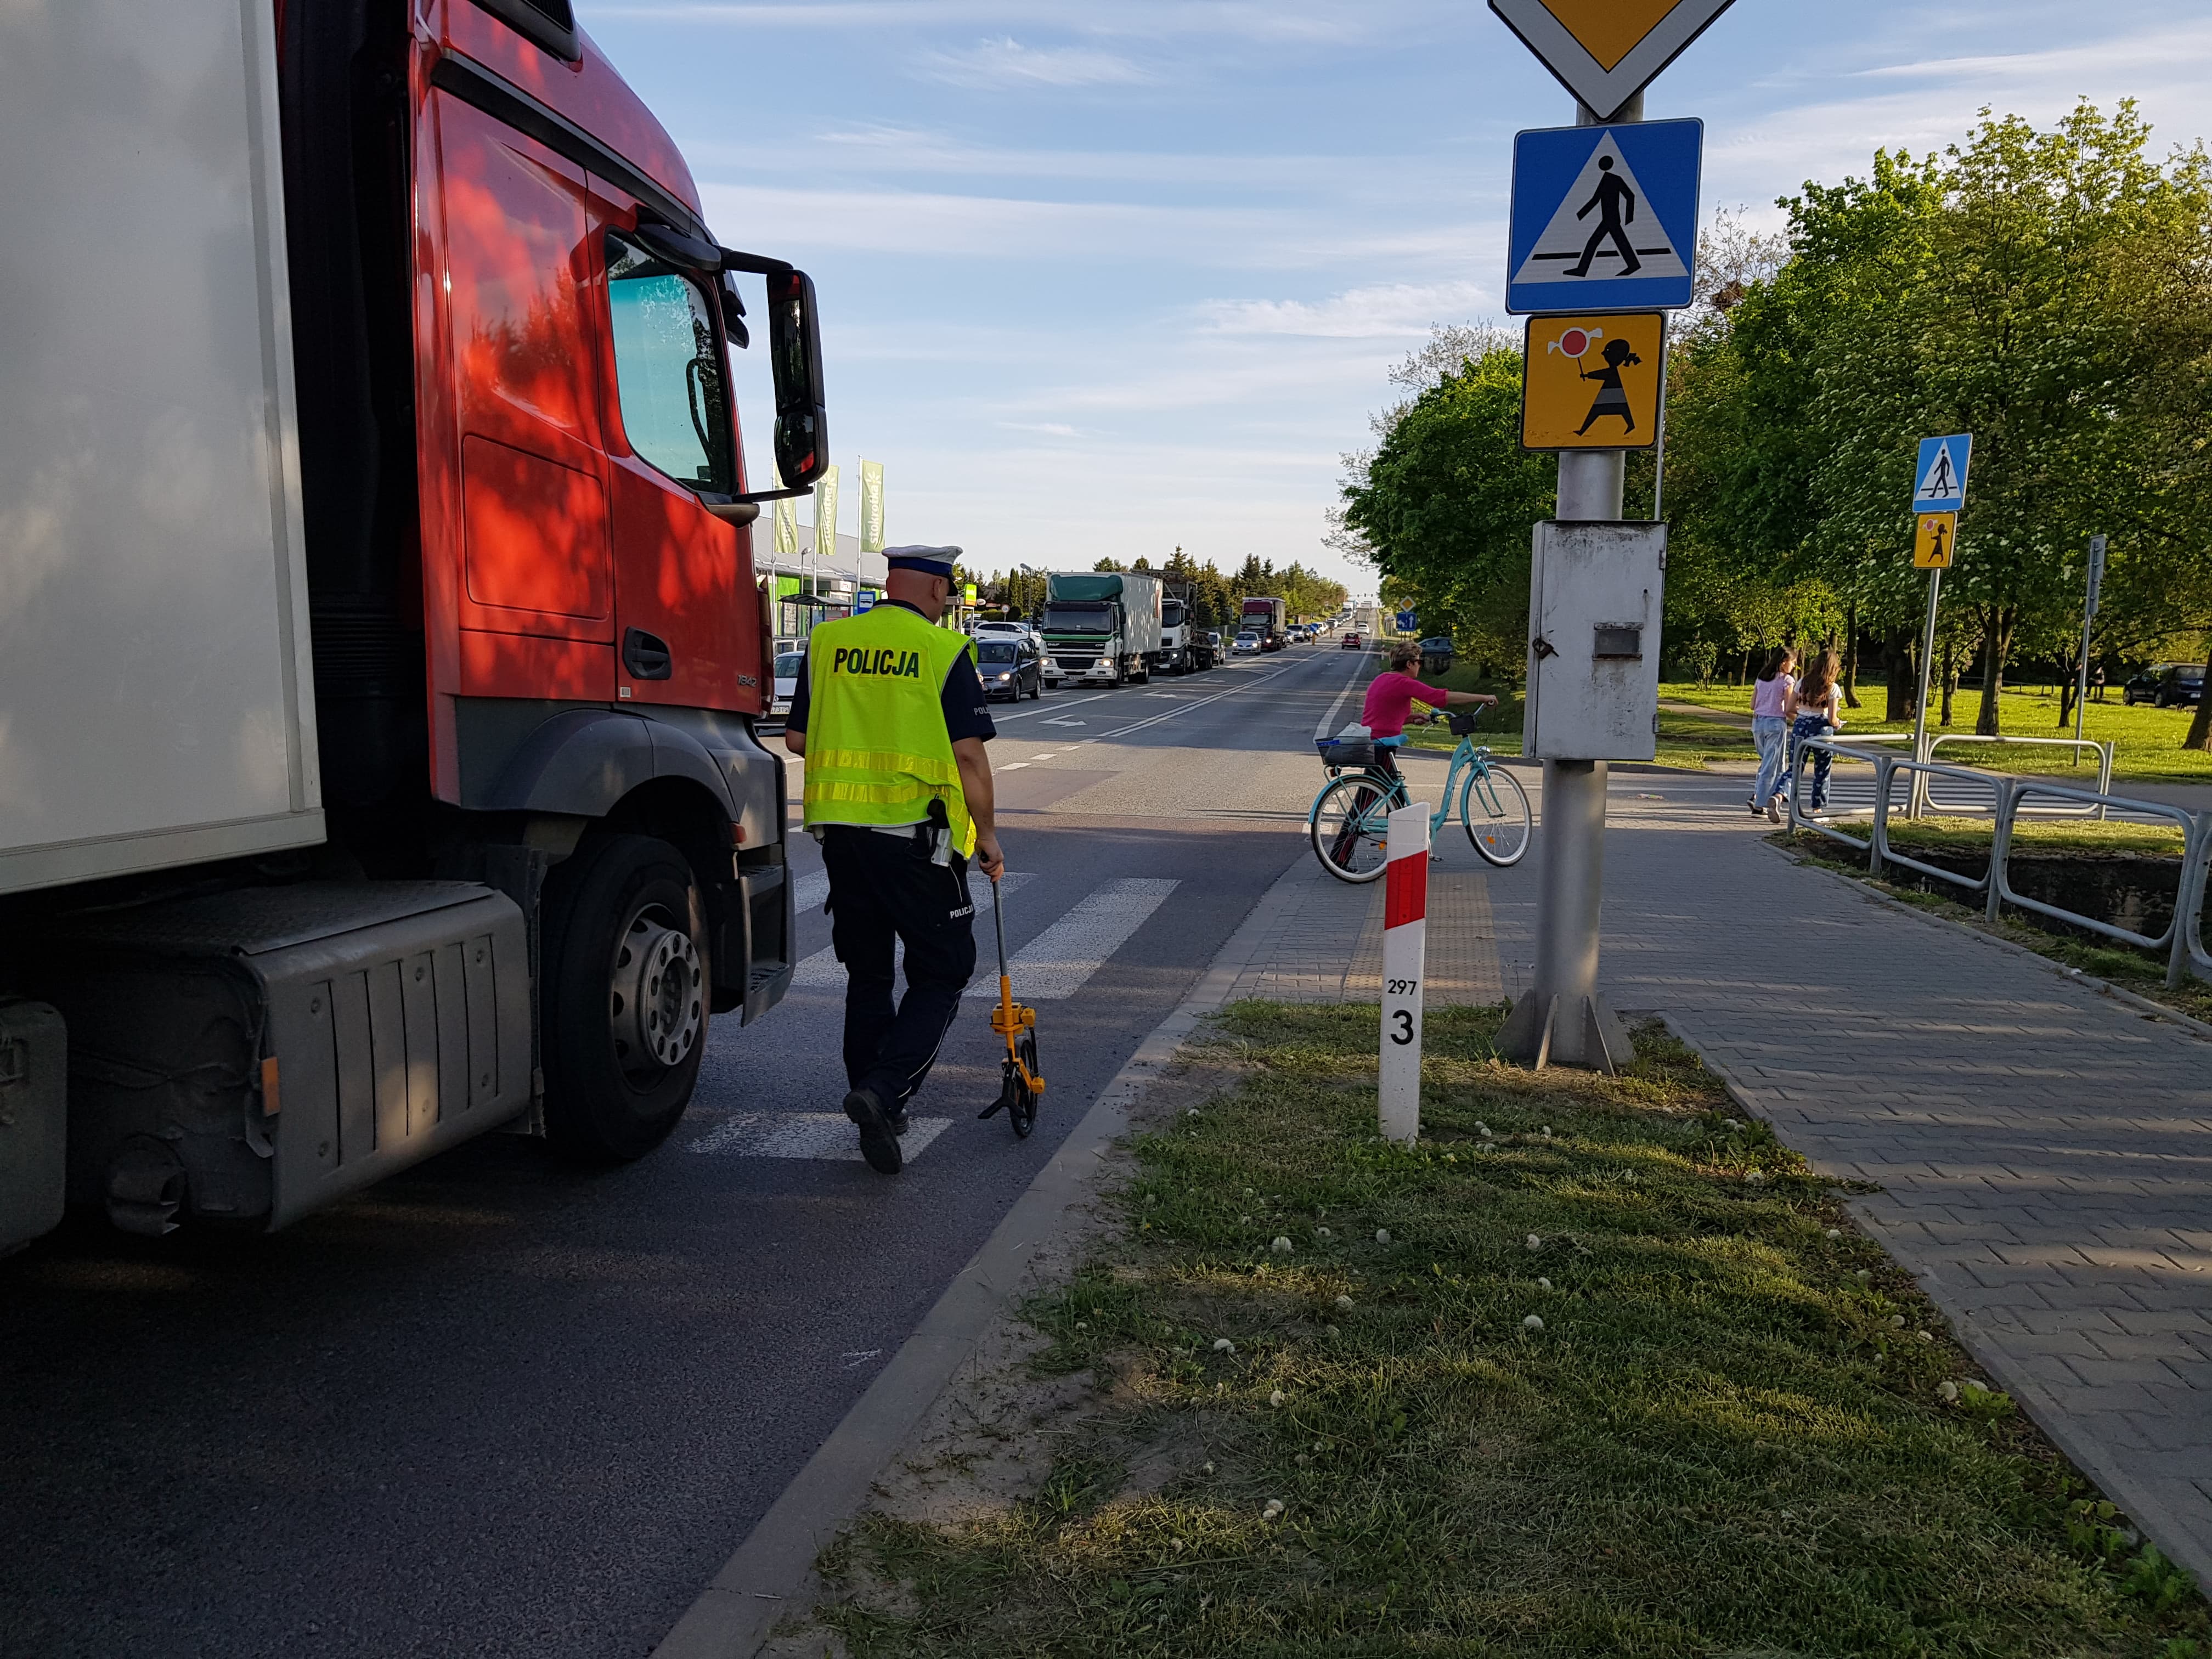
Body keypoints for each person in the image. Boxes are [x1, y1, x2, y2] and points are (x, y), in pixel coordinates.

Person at [782, 546, 1005, 1176]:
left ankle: (875, 1098)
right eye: (949, 595)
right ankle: (884, 1094)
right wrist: (987, 834)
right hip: (915, 840)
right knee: (944, 970)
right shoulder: (940, 651)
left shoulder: (828, 643)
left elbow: (798, 737)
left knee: (870, 974)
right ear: (937, 591)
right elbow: (968, 759)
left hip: (843, 839)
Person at [1359, 642, 1497, 780]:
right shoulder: (1404, 683)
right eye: (1419, 662)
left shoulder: (1381, 679)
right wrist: (1483, 698)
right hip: (1383, 745)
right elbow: (1439, 698)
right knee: (1372, 795)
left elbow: (1382, 716)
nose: (1420, 665)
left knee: (1389, 794)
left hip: (1373, 741)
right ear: (1409, 664)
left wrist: (1411, 718)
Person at [1784, 649, 1845, 815]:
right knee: (1822, 770)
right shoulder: (1833, 688)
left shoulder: (1803, 682)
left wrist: (1803, 717)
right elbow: (1832, 719)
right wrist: (1838, 723)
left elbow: (1789, 708)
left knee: (1795, 766)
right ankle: (1818, 809)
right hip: (1822, 729)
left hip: (1801, 726)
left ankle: (1779, 795)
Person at [1750, 646, 1797, 822]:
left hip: (1758, 722)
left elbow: (1752, 704)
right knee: (1772, 765)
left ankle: (1759, 796)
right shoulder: (1787, 681)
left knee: (1769, 763)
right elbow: (1789, 708)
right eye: (1792, 662)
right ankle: (1761, 804)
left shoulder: (1761, 678)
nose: (1793, 666)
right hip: (1776, 723)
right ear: (1784, 662)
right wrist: (1801, 719)